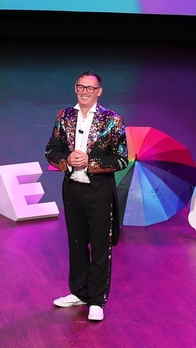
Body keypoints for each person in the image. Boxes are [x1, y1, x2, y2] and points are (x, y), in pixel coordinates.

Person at [44, 71, 128, 322]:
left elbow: (121, 158)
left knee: (100, 247)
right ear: (75, 88)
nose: (84, 92)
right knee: (77, 242)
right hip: (72, 189)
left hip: (99, 191)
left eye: (90, 88)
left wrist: (90, 162)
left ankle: (97, 299)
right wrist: (67, 160)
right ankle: (79, 292)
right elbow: (51, 149)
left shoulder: (112, 120)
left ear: (99, 91)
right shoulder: (64, 116)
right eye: (80, 87)